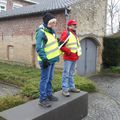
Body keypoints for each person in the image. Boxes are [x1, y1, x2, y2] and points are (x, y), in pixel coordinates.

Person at [36, 13, 60, 108]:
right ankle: (42, 99)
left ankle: (49, 95)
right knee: (44, 80)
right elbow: (39, 47)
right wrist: (44, 59)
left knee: (50, 78)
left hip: (52, 60)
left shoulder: (51, 32)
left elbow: (51, 44)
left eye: (54, 22)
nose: (53, 24)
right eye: (51, 22)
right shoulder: (41, 32)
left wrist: (58, 42)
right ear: (46, 22)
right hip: (46, 61)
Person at [60, 19, 82, 97]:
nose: (75, 26)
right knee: (66, 73)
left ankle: (72, 87)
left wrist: (77, 54)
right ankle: (65, 89)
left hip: (74, 58)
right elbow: (60, 46)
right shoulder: (66, 33)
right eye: (73, 25)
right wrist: (69, 52)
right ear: (69, 26)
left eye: (75, 24)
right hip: (68, 58)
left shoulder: (74, 34)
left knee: (71, 74)